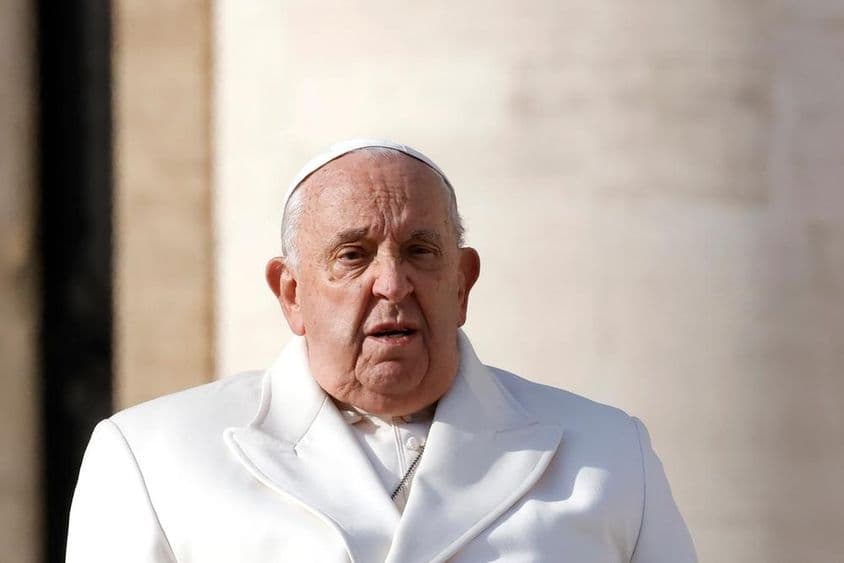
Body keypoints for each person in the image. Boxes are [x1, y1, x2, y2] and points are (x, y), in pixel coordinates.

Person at [66, 139, 697, 562]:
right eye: (353, 256)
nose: (392, 284)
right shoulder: (151, 458)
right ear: (291, 293)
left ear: (463, 283)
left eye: (422, 252)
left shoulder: (609, 455)